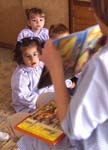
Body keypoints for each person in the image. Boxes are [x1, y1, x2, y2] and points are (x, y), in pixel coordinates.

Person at [16, 0, 108, 149]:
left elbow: (74, 130)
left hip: (93, 142)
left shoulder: (101, 63)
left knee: (26, 137)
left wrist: (56, 68)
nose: (91, 10)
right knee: (45, 98)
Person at [11, 37, 54, 113]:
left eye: (35, 54)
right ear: (21, 58)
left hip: (44, 95)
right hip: (29, 103)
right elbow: (23, 96)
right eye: (28, 56)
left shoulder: (41, 65)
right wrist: (39, 102)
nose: (32, 59)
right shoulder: (21, 75)